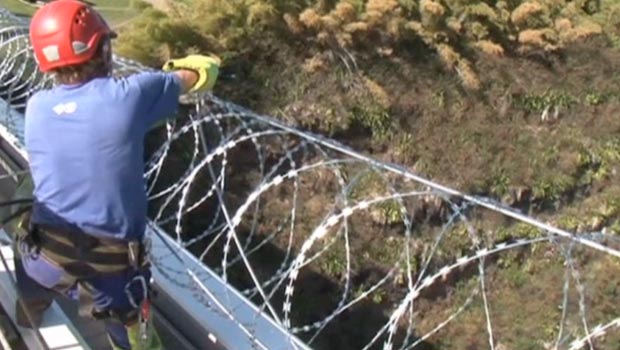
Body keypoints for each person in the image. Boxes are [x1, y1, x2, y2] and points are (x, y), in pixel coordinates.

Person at [13, 0, 220, 349]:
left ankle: (24, 316)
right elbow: (202, 73)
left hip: (42, 257)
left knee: (33, 279)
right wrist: (185, 66)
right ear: (103, 48)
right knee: (135, 339)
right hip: (110, 274)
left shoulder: (36, 106)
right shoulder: (130, 96)